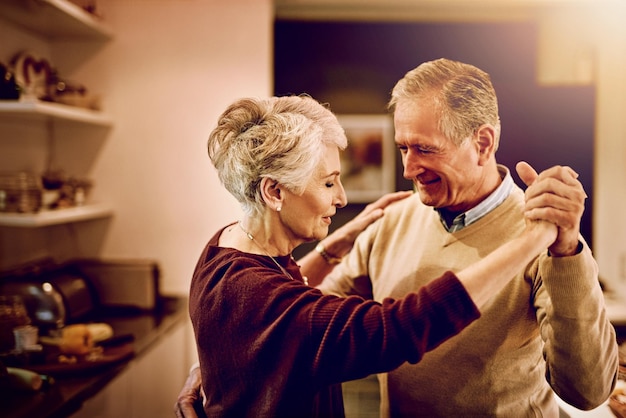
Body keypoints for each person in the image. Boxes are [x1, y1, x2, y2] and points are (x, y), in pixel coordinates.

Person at [176, 59, 619, 417]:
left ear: (483, 143)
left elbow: (587, 392)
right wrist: (222, 364)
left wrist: (562, 247)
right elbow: (297, 326)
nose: (407, 169)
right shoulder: (392, 221)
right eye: (403, 147)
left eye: (424, 149)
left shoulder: (552, 237)